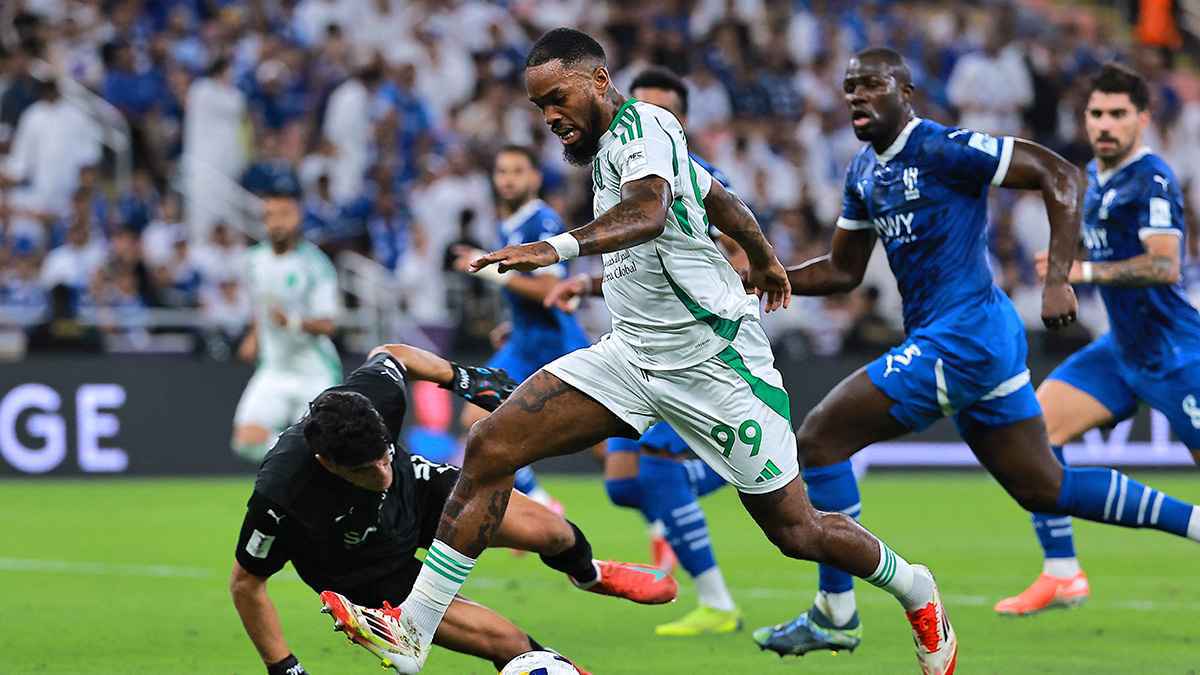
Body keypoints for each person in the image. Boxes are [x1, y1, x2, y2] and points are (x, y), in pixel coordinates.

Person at [383, 29, 959, 675]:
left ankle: (916, 588)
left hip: (712, 363)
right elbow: (722, 200)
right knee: (491, 444)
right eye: (540, 105)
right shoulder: (612, 150)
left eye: (558, 97)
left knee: (796, 530)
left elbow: (649, 213)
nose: (550, 116)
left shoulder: (646, 124)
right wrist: (767, 260)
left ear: (599, 79)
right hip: (630, 354)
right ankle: (413, 629)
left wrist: (554, 248)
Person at [751, 48, 1200, 658]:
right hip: (967, 342)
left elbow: (1060, 174)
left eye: (871, 85)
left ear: (906, 92)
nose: (856, 95)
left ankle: (836, 611)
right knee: (1045, 487)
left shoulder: (941, 147)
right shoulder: (863, 171)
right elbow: (842, 270)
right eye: (849, 86)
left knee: (820, 440)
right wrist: (764, 275)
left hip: (962, 339)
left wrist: (1058, 277)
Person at [231, 343, 677, 675]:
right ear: (327, 463)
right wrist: (286, 668)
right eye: (367, 471)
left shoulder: (374, 398)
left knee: (555, 532)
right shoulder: (281, 494)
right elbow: (246, 584)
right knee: (508, 642)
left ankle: (589, 573)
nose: (381, 473)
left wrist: (463, 379)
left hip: (419, 494)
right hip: (364, 568)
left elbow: (392, 353)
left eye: (386, 455)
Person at [995, 63, 1200, 616]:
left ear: (1142, 119)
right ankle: (1062, 573)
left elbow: (1164, 266)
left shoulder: (1151, 177)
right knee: (1032, 438)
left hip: (1178, 353)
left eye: (1117, 114)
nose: (1105, 124)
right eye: (1096, 114)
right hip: (1121, 352)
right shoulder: (1091, 176)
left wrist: (1081, 274)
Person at [547, 66, 741, 638]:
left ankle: (717, 602)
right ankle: (726, 471)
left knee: (656, 474)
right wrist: (585, 284)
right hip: (637, 346)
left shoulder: (702, 176)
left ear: (678, 120)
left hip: (692, 345)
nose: (643, 122)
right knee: (622, 484)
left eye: (660, 111)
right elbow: (628, 256)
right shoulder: (615, 168)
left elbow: (738, 255)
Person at [450, 144, 591, 511]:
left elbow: (549, 289)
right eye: (501, 172)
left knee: (609, 446)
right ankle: (542, 504)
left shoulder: (542, 221)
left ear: (535, 178)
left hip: (555, 341)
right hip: (525, 340)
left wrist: (492, 273)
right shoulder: (506, 224)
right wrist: (511, 324)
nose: (507, 180)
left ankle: (664, 516)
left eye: (516, 171)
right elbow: (525, 289)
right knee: (475, 416)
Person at [231, 169, 340, 462]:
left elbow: (329, 324)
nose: (276, 222)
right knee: (246, 441)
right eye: (270, 215)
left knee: (323, 449)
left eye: (284, 214)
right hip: (274, 368)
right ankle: (299, 457)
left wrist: (292, 322)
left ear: (298, 217)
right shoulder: (253, 261)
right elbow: (261, 305)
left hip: (313, 370)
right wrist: (254, 335)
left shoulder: (315, 265)